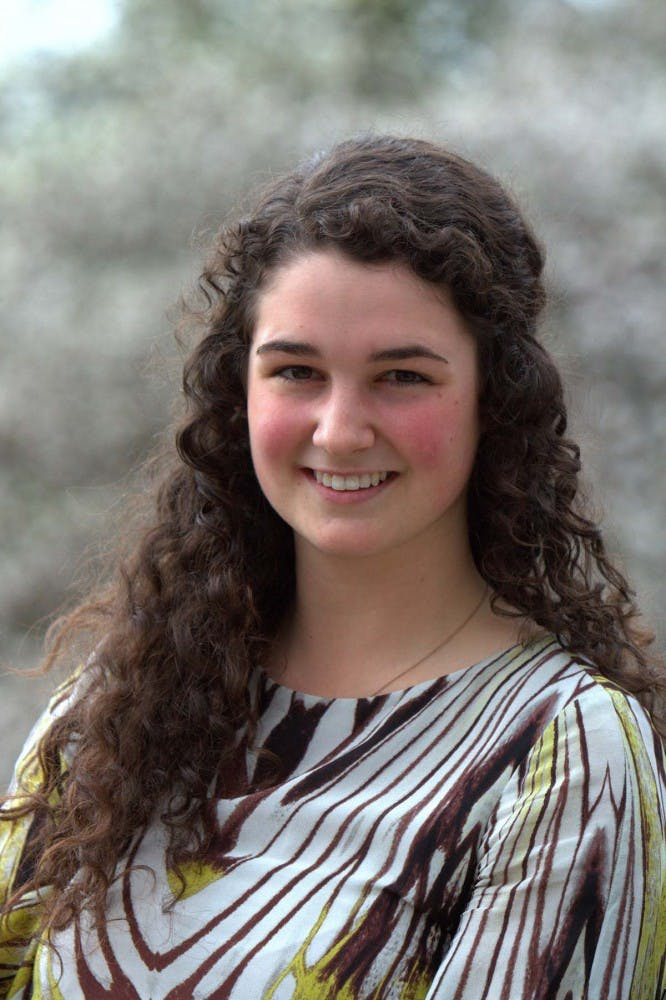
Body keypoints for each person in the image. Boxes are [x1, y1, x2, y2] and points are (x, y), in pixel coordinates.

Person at [1, 134, 665, 1000]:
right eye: (297, 371)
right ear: (239, 393)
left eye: (402, 377)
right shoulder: (115, 708)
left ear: (496, 401)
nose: (341, 430)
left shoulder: (562, 752)